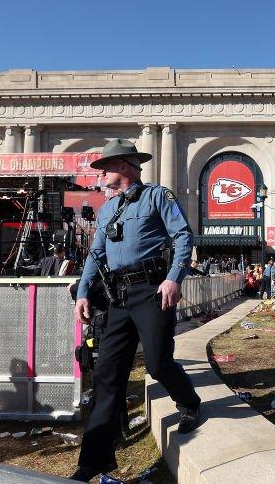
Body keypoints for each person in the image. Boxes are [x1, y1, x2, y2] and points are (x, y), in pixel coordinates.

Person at [70, 139, 201, 482]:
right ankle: (91, 463)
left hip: (151, 290)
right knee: (107, 378)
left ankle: (189, 402)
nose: (100, 174)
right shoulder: (107, 208)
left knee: (158, 363)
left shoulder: (158, 196)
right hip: (116, 297)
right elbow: (96, 255)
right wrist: (83, 292)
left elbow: (183, 237)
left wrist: (174, 278)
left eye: (106, 168)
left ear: (125, 167)